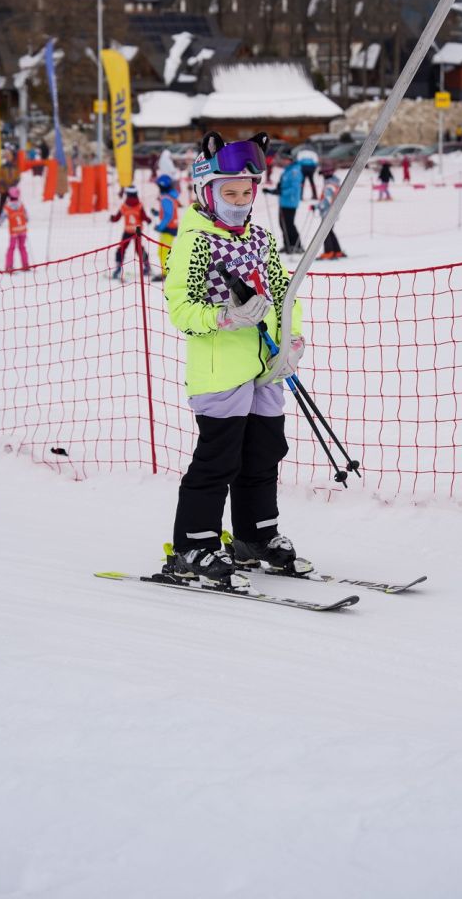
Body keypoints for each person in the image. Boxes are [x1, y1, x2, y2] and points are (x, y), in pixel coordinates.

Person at [162, 130, 306, 583]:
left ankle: (255, 536)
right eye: (230, 193)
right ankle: (194, 545)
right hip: (220, 370)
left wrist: (291, 340)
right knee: (219, 458)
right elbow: (181, 310)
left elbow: (283, 291)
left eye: (247, 192)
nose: (241, 201)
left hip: (265, 366)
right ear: (207, 191)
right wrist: (225, 317)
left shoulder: (260, 238)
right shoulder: (195, 240)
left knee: (265, 452)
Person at [110, 185, 151, 280]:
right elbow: (144, 217)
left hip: (127, 231)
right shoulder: (139, 205)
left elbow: (117, 218)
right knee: (139, 249)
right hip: (138, 231)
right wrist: (148, 220)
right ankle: (147, 266)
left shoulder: (124, 206)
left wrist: (112, 218)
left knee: (121, 249)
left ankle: (118, 268)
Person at [263, 157, 304, 253]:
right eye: (283, 159)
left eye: (285, 159)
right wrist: (272, 191)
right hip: (284, 202)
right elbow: (282, 186)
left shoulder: (294, 171)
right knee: (283, 225)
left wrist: (281, 192)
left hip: (290, 202)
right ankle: (288, 245)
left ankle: (296, 245)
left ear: (291, 160)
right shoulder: (287, 170)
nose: (283, 161)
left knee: (289, 224)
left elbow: (294, 188)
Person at [313, 167, 346, 260]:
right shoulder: (334, 184)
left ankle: (329, 251)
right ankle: (337, 251)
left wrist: (316, 206)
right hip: (333, 211)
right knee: (329, 231)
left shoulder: (329, 186)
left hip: (328, 212)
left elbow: (327, 201)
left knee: (325, 232)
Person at [152, 174, 180, 279]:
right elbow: (167, 212)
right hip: (170, 227)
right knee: (162, 251)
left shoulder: (166, 198)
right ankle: (166, 271)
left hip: (168, 228)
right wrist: (157, 213)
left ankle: (166, 273)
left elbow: (168, 215)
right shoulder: (170, 196)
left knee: (164, 251)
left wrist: (160, 227)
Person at [3, 186, 30, 272]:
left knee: (11, 248)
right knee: (22, 247)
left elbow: (2, 217)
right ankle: (25, 265)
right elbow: (27, 217)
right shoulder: (21, 205)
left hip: (13, 232)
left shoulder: (7, 206)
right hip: (22, 230)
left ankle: (9, 266)